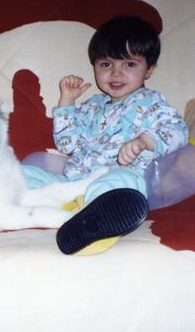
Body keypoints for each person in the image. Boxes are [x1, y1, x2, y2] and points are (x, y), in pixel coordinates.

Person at [22, 15, 189, 254]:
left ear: (149, 70)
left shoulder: (151, 102)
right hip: (75, 183)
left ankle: (94, 228)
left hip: (122, 178)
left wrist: (146, 141)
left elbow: (178, 131)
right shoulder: (92, 105)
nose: (116, 73)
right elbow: (67, 145)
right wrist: (67, 101)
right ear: (95, 67)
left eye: (129, 64)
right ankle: (64, 210)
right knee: (23, 174)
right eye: (106, 64)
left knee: (120, 182)